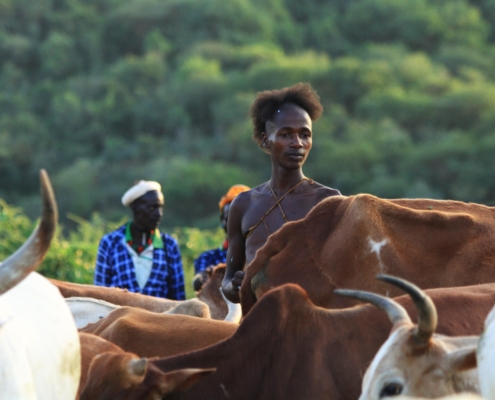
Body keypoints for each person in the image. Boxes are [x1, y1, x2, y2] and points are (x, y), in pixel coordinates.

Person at [221, 82, 341, 303]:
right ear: (266, 139)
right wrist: (236, 287)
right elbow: (228, 281)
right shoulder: (243, 205)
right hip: (257, 320)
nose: (297, 143)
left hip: (312, 321)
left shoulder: (329, 202)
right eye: (286, 134)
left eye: (305, 135)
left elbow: (342, 279)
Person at [94, 180, 185, 300]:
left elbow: (178, 299)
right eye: (152, 208)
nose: (159, 213)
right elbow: (99, 294)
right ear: (135, 208)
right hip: (118, 313)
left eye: (161, 207)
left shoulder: (169, 245)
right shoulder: (110, 243)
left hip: (159, 313)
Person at [192, 184, 250, 291]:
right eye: (229, 219)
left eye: (241, 219)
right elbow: (197, 283)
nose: (235, 225)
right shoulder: (208, 258)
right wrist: (205, 278)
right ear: (222, 221)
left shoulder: (262, 256)